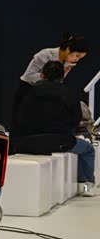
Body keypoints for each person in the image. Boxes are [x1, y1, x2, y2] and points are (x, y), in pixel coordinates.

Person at [15, 60, 97, 196]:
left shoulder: (28, 93)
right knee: (88, 150)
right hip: (60, 142)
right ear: (62, 76)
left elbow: (20, 119)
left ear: (42, 75)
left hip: (28, 143)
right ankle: (87, 187)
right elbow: (76, 119)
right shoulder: (68, 93)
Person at [11, 33, 89, 129]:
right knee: (21, 125)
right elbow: (28, 76)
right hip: (28, 90)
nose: (77, 60)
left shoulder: (69, 62)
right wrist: (49, 76)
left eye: (80, 58)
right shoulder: (45, 54)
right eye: (77, 56)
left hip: (47, 94)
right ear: (68, 49)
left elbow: (58, 81)